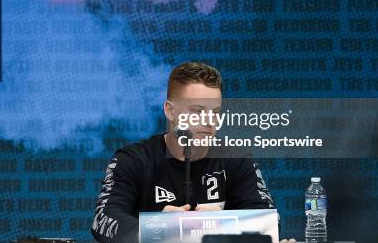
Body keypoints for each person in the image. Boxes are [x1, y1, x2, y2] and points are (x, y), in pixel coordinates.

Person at [91, 61, 296, 243]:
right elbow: (103, 219)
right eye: (198, 111)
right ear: (170, 111)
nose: (209, 121)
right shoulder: (133, 159)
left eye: (215, 112)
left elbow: (270, 222)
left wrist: (217, 224)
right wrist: (161, 229)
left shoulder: (236, 158)